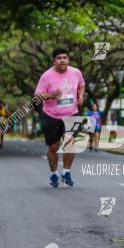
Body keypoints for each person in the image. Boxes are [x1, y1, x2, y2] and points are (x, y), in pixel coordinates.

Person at [33, 48, 85, 188]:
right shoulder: (47, 76)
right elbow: (37, 96)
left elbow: (81, 84)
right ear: (54, 61)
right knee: (53, 147)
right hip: (51, 115)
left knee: (71, 144)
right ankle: (54, 174)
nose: (62, 60)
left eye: (65, 57)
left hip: (72, 112)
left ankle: (66, 172)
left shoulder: (76, 72)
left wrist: (81, 95)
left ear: (68, 59)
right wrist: (51, 95)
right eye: (59, 58)